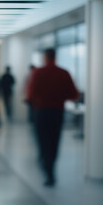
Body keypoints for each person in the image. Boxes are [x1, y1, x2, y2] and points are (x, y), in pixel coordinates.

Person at [27, 48, 78, 186]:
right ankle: (51, 168)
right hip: (57, 112)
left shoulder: (38, 72)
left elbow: (30, 94)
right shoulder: (63, 73)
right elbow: (73, 94)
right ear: (55, 57)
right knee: (54, 141)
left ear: (45, 57)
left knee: (43, 140)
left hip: (41, 112)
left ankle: (46, 165)